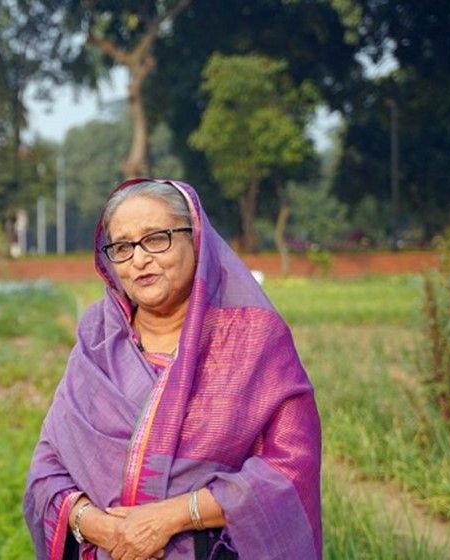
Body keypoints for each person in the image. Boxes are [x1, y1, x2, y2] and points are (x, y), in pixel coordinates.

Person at [23, 179, 322, 560]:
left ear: (196, 240)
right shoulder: (96, 340)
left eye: (156, 238)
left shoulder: (253, 341)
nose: (139, 259)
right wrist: (97, 525)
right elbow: (49, 463)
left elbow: (291, 465)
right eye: (123, 246)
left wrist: (172, 518)